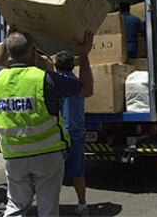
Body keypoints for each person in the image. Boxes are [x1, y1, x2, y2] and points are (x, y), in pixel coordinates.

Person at [0, 28, 94, 217]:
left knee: (16, 205)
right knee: (48, 206)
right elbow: (86, 90)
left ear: (10, 53)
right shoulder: (45, 79)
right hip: (47, 154)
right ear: (33, 52)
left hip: (14, 155)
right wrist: (84, 56)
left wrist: (7, 41)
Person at [55, 51, 89, 216]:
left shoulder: (54, 82)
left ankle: (52, 207)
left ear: (56, 66)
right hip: (77, 130)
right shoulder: (77, 83)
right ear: (73, 66)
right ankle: (82, 205)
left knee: (53, 173)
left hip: (58, 133)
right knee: (78, 171)